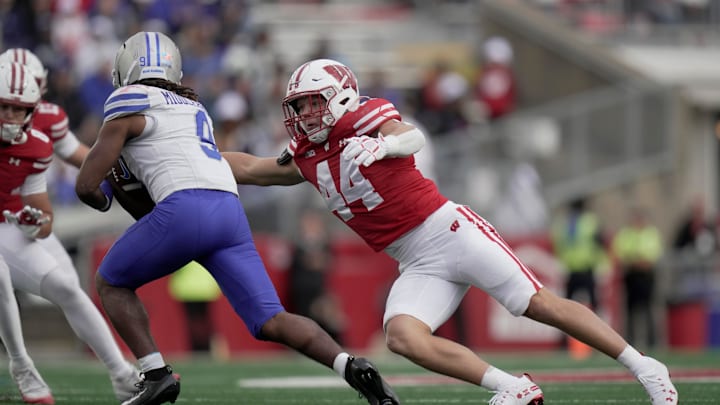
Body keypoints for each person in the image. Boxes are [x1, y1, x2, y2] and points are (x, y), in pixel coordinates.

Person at [221, 58, 679, 405]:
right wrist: (188, 159)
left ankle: (646, 368)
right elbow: (256, 170)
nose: (304, 114)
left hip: (450, 229)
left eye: (312, 102)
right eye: (298, 106)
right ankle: (512, 388)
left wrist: (384, 147)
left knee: (537, 303)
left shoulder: (363, 118)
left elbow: (410, 134)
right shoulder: (306, 154)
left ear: (340, 96)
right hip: (415, 259)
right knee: (402, 337)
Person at [75, 32, 399, 405]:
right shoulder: (193, 106)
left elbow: (86, 186)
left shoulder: (126, 98)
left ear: (125, 68)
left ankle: (155, 374)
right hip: (228, 209)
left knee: (111, 282)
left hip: (184, 208)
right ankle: (351, 366)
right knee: (271, 320)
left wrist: (106, 197)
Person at [0, 48, 141, 403]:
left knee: (65, 284)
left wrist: (35, 224)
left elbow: (45, 217)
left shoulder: (37, 143)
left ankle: (123, 374)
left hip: (7, 225)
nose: (11, 116)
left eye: (20, 107)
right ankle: (21, 366)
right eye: (4, 105)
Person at [288, 209, 346, 343]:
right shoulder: (298, 245)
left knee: (332, 317)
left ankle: (339, 345)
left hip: (318, 291)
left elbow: (327, 262)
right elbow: (310, 262)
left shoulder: (324, 244)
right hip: (302, 293)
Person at [612, 206, 663, 349]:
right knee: (630, 310)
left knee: (648, 309)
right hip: (631, 276)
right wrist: (636, 261)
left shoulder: (651, 233)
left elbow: (653, 255)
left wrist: (636, 260)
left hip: (646, 276)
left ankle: (653, 342)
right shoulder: (626, 233)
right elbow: (620, 254)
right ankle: (629, 342)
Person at [550, 197, 607, 311]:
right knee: (593, 301)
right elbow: (600, 242)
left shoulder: (565, 223)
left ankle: (566, 327)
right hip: (587, 266)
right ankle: (595, 326)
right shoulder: (589, 221)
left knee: (568, 303)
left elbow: (558, 244)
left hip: (570, 267)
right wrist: (602, 262)